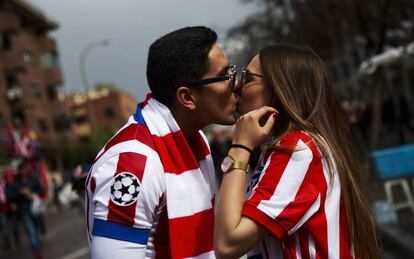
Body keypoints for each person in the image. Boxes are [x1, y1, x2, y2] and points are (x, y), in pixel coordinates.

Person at [86, 26, 238, 258]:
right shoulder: (132, 163)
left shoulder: (196, 140)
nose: (235, 83)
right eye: (225, 76)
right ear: (187, 97)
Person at [214, 44, 380, 259]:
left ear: (280, 89)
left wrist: (239, 147)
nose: (236, 84)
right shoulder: (290, 147)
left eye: (247, 77)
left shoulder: (298, 149)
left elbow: (228, 244)